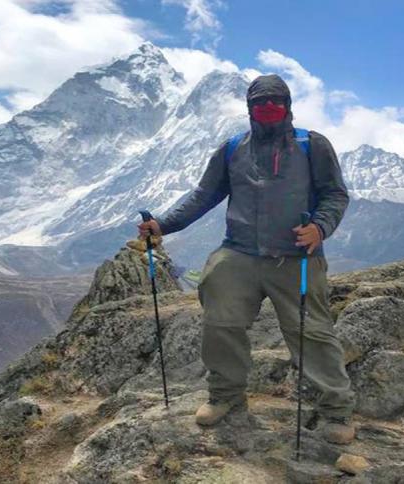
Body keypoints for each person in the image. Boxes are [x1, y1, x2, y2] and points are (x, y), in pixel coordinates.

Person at [137, 74, 356, 444]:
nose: (268, 109)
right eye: (260, 103)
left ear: (288, 106)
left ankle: (336, 411)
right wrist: (163, 225)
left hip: (297, 255)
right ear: (249, 108)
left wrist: (319, 228)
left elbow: (335, 194)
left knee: (312, 332)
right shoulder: (232, 149)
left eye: (275, 102)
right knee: (219, 322)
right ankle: (226, 396)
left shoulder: (312, 145)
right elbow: (204, 195)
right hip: (239, 252)